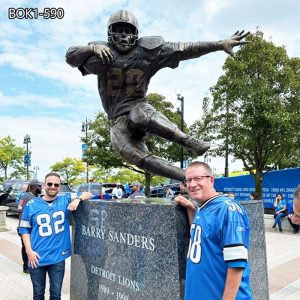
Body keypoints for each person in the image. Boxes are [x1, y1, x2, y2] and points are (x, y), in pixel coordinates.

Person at [66, 9, 249, 182]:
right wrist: (91, 49)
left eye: (127, 31)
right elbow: (71, 56)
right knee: (137, 157)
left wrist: (219, 44)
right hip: (116, 120)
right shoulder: (101, 53)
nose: (123, 36)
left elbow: (185, 49)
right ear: (110, 33)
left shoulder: (147, 51)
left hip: (138, 106)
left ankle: (189, 142)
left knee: (140, 115)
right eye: (119, 31)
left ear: (135, 34)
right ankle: (186, 177)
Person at [175, 161, 252, 299]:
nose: (192, 184)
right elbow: (202, 235)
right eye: (189, 180)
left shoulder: (228, 210)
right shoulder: (203, 207)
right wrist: (191, 208)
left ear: (211, 180)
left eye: (198, 178)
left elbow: (236, 265)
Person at [18, 172, 92, 300]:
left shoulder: (65, 198)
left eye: (56, 185)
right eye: (50, 184)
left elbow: (88, 194)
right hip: (36, 257)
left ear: (59, 186)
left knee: (56, 295)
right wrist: (29, 251)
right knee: (38, 294)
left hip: (58, 257)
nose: (53, 187)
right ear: (44, 185)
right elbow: (24, 229)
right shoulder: (32, 205)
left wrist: (77, 200)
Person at [17, 179, 42, 274]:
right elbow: (21, 212)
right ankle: (26, 267)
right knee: (25, 247)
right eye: (38, 186)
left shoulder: (36, 197)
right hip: (24, 228)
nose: (40, 187)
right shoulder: (26, 197)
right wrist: (21, 229)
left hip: (33, 228)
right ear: (32, 187)